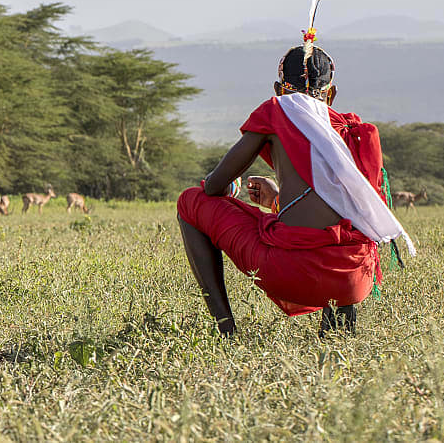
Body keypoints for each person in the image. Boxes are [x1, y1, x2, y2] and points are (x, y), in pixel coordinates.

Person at [177, 33, 415, 337]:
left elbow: (212, 188)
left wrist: (231, 191)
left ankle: (226, 331)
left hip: (291, 273)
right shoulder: (352, 131)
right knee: (343, 240)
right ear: (331, 95)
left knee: (190, 200)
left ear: (278, 90)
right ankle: (338, 328)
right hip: (355, 278)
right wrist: (277, 200)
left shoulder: (275, 112)